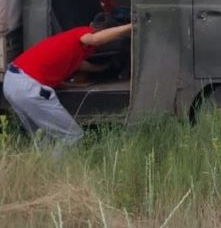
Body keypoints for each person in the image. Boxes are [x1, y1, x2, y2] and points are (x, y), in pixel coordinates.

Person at [2, 14, 132, 146]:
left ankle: (41, 159)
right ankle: (57, 161)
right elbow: (94, 39)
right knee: (72, 136)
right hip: (27, 86)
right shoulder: (83, 32)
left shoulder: (72, 46)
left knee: (43, 137)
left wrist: (105, 68)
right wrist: (130, 27)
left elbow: (83, 65)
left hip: (12, 80)